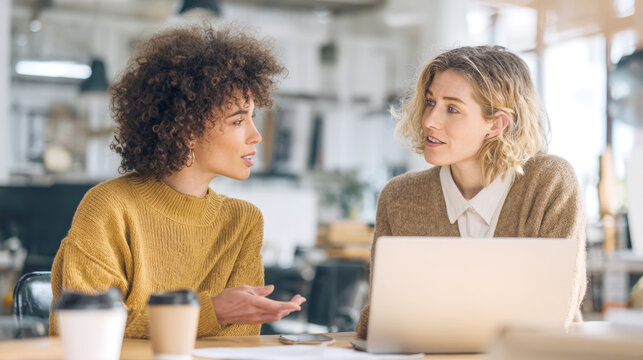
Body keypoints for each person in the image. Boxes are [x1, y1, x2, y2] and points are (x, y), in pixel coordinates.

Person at [49, 24, 305, 339]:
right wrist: (213, 311)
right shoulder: (110, 208)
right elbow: (85, 334)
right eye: (238, 120)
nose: (256, 135)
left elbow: (237, 345)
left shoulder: (244, 221)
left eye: (253, 118)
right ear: (186, 129)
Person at [355, 45, 587, 338]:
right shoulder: (400, 196)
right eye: (430, 102)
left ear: (496, 124)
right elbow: (379, 322)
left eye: (452, 108)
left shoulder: (549, 182)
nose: (429, 120)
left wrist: (431, 314)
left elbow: (553, 314)